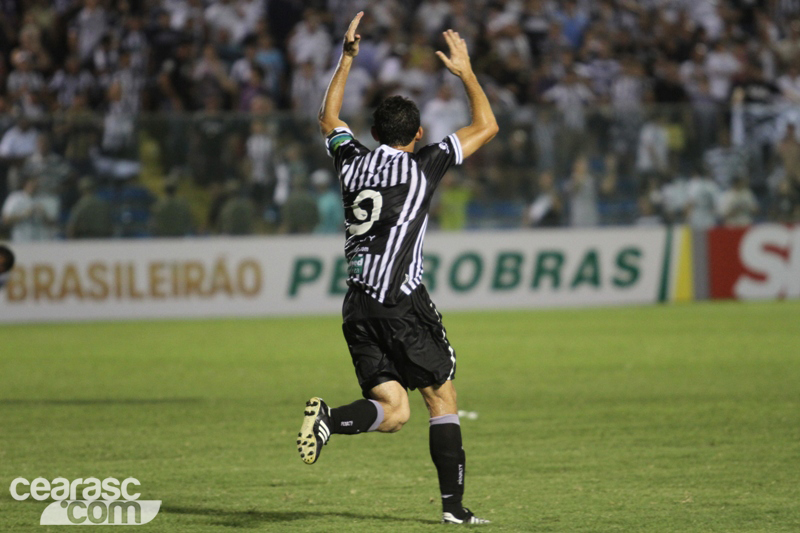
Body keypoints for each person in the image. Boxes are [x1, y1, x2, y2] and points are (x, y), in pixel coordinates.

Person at [297, 13, 497, 526]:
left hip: (357, 306)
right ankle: (454, 509)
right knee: (441, 396)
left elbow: (327, 118)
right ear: (418, 134)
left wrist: (346, 58)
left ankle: (330, 421)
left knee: (394, 411)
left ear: (373, 133)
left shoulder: (351, 160)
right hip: (400, 302)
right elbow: (487, 127)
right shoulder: (423, 165)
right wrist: (466, 73)